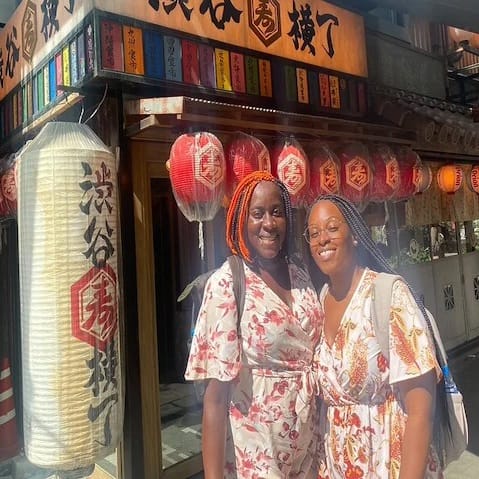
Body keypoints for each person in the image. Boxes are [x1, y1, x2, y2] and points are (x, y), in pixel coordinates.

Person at [185, 171, 322, 479]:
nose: (269, 223)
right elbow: (215, 398)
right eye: (257, 214)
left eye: (276, 212)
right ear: (240, 221)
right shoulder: (227, 284)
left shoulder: (300, 273)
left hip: (310, 448)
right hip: (258, 454)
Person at [304, 194, 442, 479]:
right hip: (338, 466)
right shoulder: (319, 300)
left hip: (389, 462)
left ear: (355, 234)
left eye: (332, 228)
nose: (322, 239)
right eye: (314, 233)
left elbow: (420, 407)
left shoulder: (387, 295)